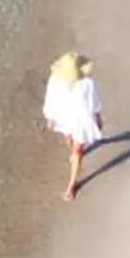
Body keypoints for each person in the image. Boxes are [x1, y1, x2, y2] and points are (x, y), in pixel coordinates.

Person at [42, 50, 103, 200]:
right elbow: (50, 99)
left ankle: (71, 185)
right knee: (69, 139)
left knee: (77, 149)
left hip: (80, 120)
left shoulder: (87, 83)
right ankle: (76, 153)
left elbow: (93, 102)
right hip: (63, 117)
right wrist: (50, 117)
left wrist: (97, 116)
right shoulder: (54, 80)